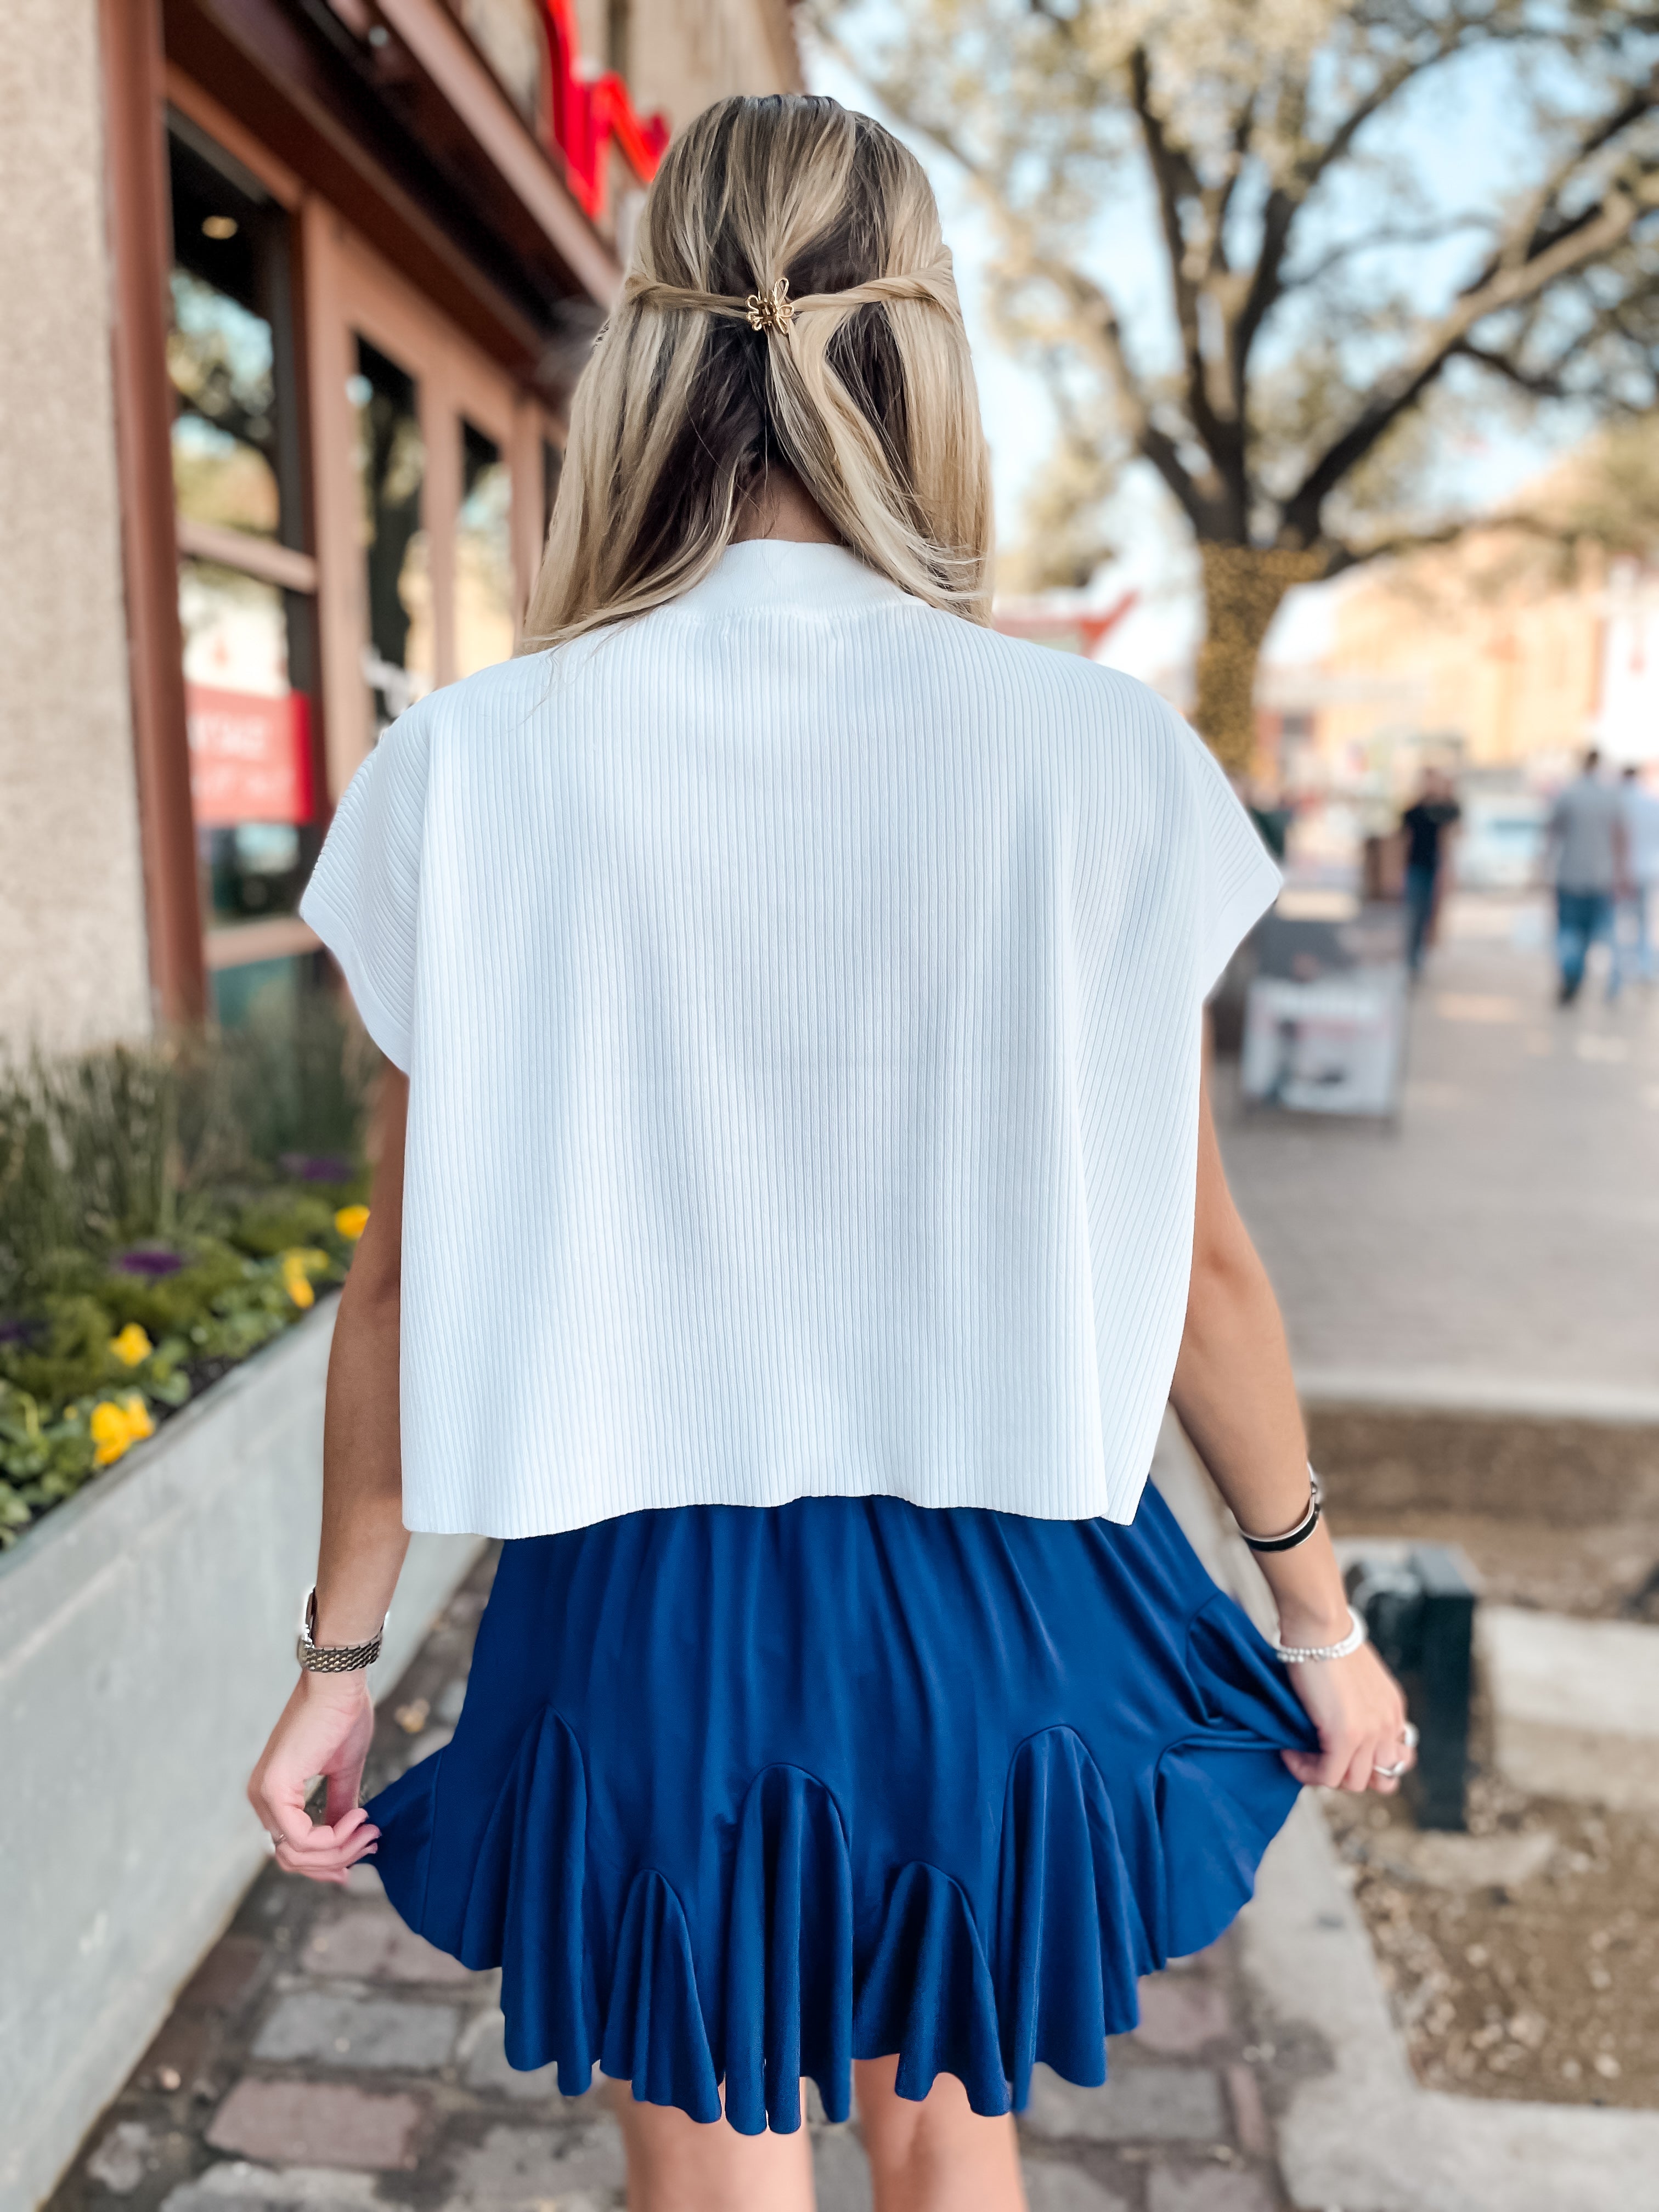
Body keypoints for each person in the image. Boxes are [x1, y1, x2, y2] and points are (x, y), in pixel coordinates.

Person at [247, 97, 1412, 2212]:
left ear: (640, 356)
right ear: (925, 355)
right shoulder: (1095, 754)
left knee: (716, 2167)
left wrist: (339, 1662)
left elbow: (403, 1287)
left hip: (642, 1600)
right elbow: (1198, 1270)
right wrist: (1315, 1617)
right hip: (1005, 1590)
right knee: (949, 2135)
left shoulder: (470, 768)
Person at [1547, 747, 1625, 1005]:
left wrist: (1544, 867)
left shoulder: (1569, 795)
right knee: (1591, 934)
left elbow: (1552, 833)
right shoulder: (1610, 797)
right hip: (1600, 876)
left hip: (1570, 874)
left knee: (1569, 931)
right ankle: (1579, 975)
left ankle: (1571, 973)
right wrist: (1621, 874)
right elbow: (1620, 838)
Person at [1398, 766, 1461, 978]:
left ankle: (1420, 957)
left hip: (1436, 871)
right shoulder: (1413, 811)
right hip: (1416, 869)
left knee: (1429, 917)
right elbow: (1403, 841)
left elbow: (1455, 830)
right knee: (1414, 915)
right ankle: (1412, 959)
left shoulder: (1443, 810)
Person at [1616, 763, 1659, 990]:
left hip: (1623, 872)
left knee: (1621, 923)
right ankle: (1644, 966)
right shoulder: (1651, 803)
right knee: (1643, 922)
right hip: (1648, 869)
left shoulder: (1618, 803)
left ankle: (1623, 969)